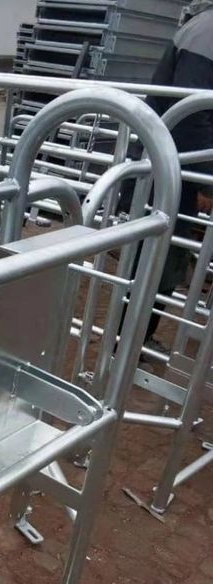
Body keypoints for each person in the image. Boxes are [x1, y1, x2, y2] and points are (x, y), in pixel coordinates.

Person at [119, 0, 213, 355]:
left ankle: (137, 340)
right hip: (166, 170)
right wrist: (206, 180)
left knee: (164, 260)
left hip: (177, 166)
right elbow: (189, 113)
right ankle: (125, 345)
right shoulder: (208, 33)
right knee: (155, 259)